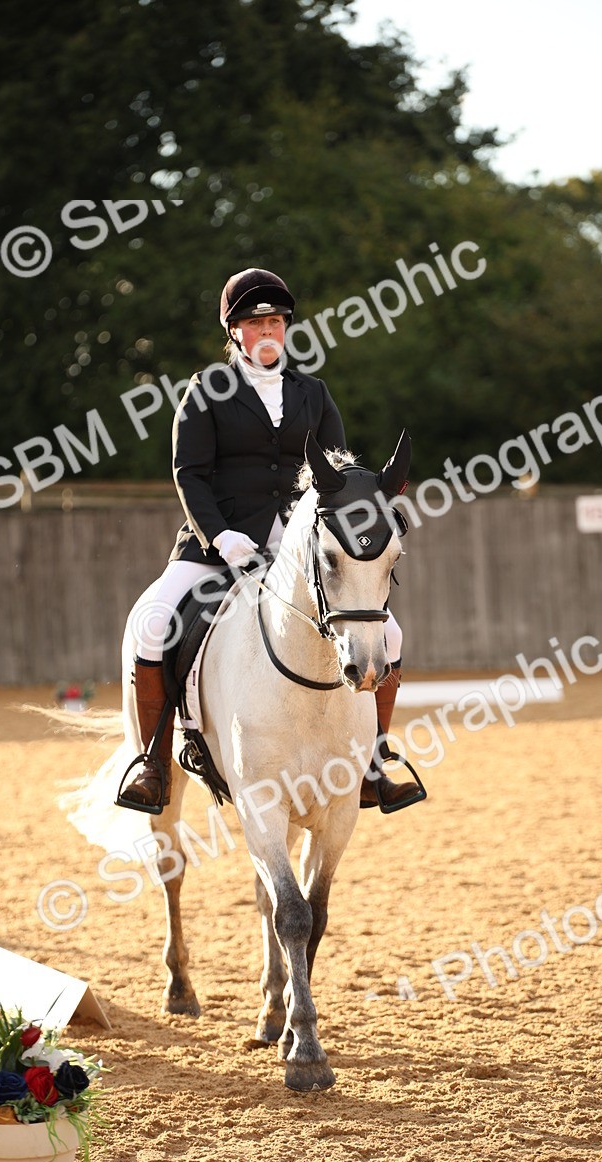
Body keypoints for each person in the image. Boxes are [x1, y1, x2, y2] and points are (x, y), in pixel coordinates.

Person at [117, 267, 421, 814]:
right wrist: (221, 538)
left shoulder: (314, 392)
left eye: (276, 322)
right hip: (219, 544)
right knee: (154, 621)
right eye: (255, 324)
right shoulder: (206, 391)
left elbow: (335, 472)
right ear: (234, 331)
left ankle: (374, 762)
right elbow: (189, 474)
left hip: (300, 548)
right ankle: (154, 765)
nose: (267, 333)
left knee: (389, 635)